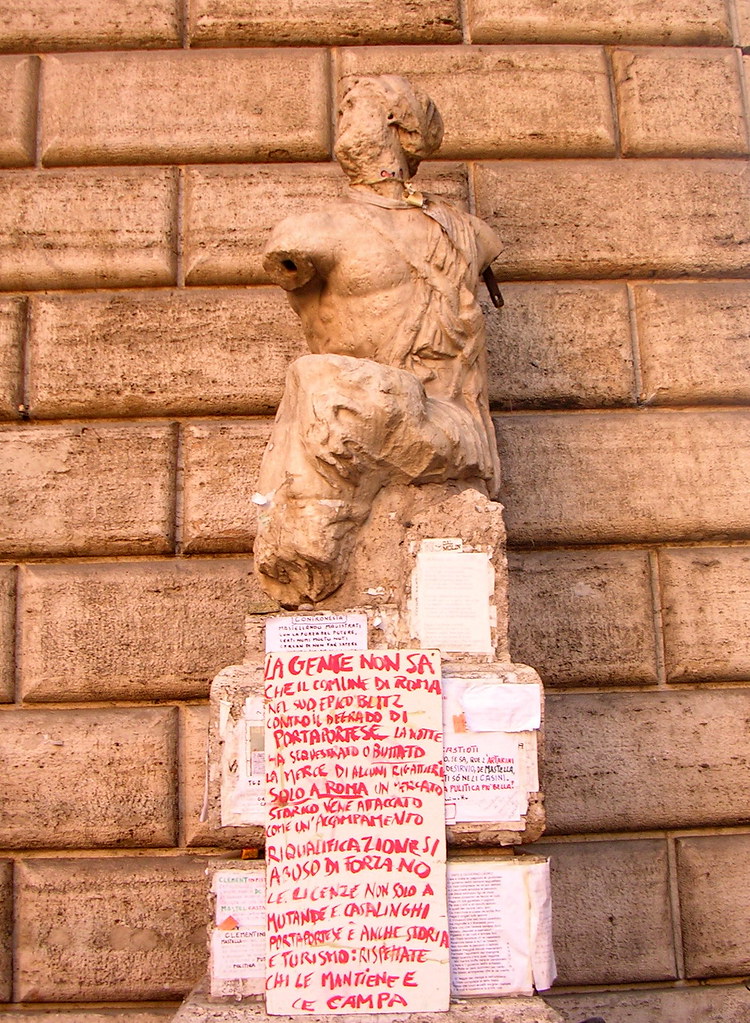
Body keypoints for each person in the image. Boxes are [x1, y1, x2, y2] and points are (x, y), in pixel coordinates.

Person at [254, 74, 503, 606]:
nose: (342, 117)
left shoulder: (466, 232)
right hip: (349, 425)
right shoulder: (309, 231)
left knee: (331, 382)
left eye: (354, 106)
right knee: (319, 378)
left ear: (398, 120)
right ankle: (312, 554)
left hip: (445, 425)